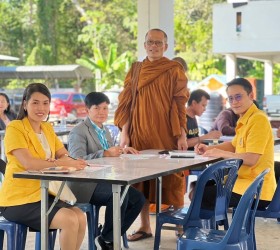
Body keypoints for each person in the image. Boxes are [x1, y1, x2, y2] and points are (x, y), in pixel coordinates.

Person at [114, 28, 189, 241]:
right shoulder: (136, 69)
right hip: (138, 134)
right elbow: (126, 104)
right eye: (150, 42)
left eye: (158, 43)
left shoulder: (174, 69)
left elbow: (180, 103)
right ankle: (145, 226)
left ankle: (179, 226)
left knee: (172, 178)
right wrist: (125, 134)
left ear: (166, 46)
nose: (154, 46)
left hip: (166, 133)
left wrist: (182, 133)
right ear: (144, 45)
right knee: (140, 181)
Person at [0, 83, 88, 250]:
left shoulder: (47, 127)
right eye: (35, 102)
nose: (41, 108)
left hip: (44, 193)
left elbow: (62, 153)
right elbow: (29, 163)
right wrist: (61, 163)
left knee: (80, 217)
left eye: (45, 103)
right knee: (69, 219)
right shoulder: (15, 128)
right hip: (17, 200)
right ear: (25, 104)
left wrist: (69, 161)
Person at [67, 92, 145, 250]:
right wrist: (104, 153)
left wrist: (122, 150)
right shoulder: (79, 131)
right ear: (87, 109)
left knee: (138, 199)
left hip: (105, 180)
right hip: (84, 185)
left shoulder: (106, 130)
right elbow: (76, 159)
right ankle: (109, 240)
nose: (102, 112)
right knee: (119, 194)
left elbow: (109, 154)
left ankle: (106, 238)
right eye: (97, 108)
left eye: (105, 108)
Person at [195, 78, 276, 209]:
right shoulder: (245, 119)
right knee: (202, 186)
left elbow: (251, 159)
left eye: (238, 97)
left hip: (255, 190)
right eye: (231, 98)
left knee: (201, 193)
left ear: (251, 96)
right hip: (243, 183)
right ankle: (213, 227)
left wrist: (220, 153)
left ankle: (206, 229)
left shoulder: (258, 119)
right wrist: (209, 148)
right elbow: (233, 146)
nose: (234, 102)